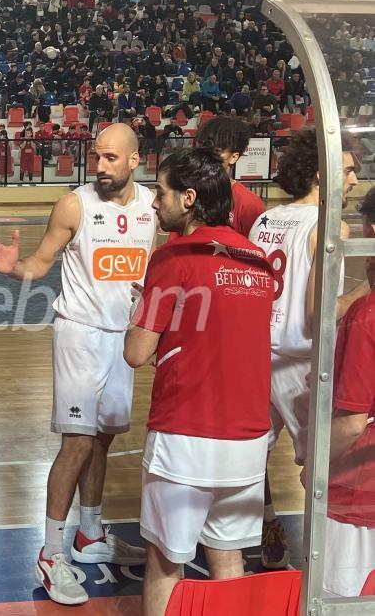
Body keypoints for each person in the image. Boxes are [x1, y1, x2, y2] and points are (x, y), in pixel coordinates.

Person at [0, 123, 154, 605]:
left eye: (109, 158)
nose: (99, 166)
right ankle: (49, 551)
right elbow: (40, 263)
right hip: (80, 335)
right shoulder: (74, 204)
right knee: (78, 442)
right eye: (96, 157)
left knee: (104, 438)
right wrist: (14, 268)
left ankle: (89, 534)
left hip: (123, 338)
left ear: (133, 160)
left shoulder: (150, 206)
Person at [125, 147, 274, 616]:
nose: (153, 202)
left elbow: (136, 352)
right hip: (249, 440)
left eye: (161, 192)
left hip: (185, 437)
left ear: (188, 198)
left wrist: (143, 310)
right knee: (228, 562)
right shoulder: (258, 258)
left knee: (166, 561)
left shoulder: (174, 258)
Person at [248, 128, 371, 569]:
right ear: (323, 174)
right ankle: (327, 563)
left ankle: (266, 523)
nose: (355, 180)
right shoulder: (329, 224)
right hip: (302, 364)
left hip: (258, 356)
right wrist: (363, 294)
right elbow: (320, 313)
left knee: (254, 454)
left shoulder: (265, 219)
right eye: (350, 171)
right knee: (322, 467)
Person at [322, 186, 375, 597]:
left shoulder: (367, 316)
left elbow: (353, 421)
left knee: (342, 598)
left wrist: (317, 466)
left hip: (359, 493)